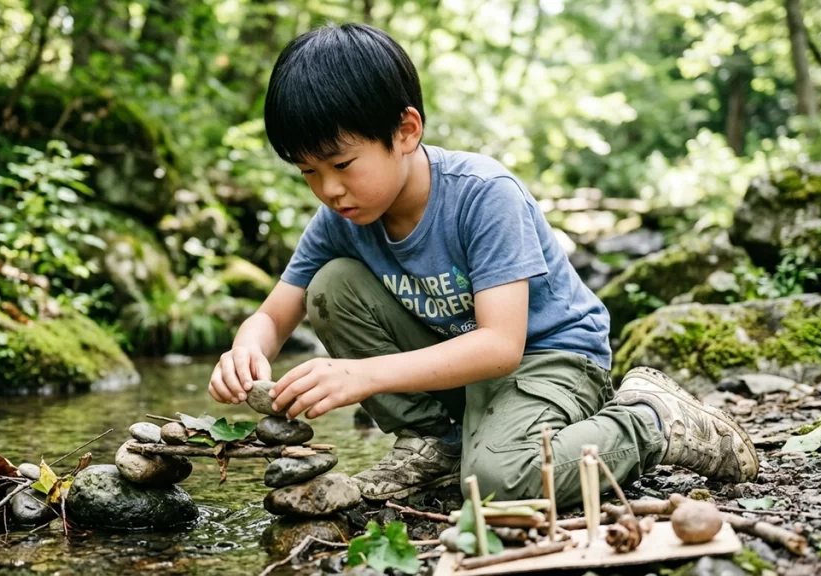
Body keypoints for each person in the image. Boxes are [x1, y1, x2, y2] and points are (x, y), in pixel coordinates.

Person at [208, 21, 758, 505]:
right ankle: (435, 444)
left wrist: (362, 374)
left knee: (500, 479)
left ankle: (651, 420)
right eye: (308, 172)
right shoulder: (340, 219)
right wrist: (246, 350)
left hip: (551, 358)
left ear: (406, 131)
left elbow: (501, 346)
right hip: (462, 369)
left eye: (342, 164)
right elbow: (274, 315)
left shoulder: (483, 194)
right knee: (331, 286)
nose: (329, 189)